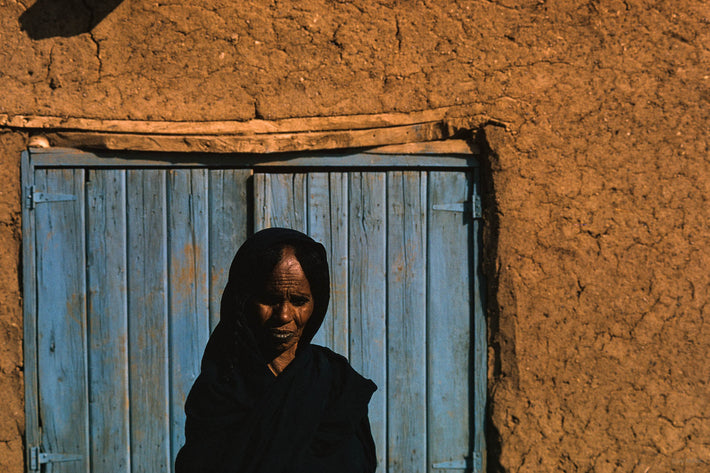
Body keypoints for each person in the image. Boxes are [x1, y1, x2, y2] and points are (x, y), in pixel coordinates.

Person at [175, 228, 377, 473]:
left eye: (299, 301)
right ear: (244, 300)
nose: (283, 315)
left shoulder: (338, 386)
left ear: (317, 303)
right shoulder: (221, 393)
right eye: (270, 299)